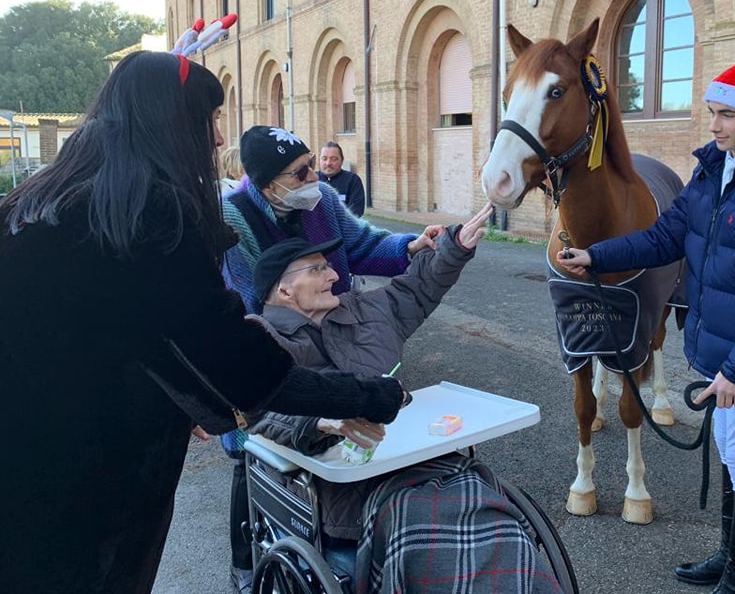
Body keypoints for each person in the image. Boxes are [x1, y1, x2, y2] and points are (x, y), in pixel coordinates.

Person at [0, 51, 405, 594]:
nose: (218, 140)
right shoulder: (149, 211)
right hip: (87, 491)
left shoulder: (42, 199)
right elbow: (241, 366)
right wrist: (369, 396)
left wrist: (198, 401)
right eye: (211, 118)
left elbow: (142, 338)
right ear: (172, 119)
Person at [556, 56, 735, 594]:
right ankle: (728, 557)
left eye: (726, 114)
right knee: (729, 452)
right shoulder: (712, 172)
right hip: (723, 353)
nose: (715, 124)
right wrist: (597, 255)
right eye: (711, 112)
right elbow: (663, 238)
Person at [247, 205, 561, 593]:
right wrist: (320, 423)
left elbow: (416, 288)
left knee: (486, 506)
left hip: (423, 463)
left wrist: (454, 247)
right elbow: (259, 411)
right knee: (424, 526)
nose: (333, 274)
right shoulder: (259, 339)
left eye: (328, 266)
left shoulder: (362, 309)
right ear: (284, 289)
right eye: (317, 269)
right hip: (346, 492)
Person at [220, 123, 441, 591]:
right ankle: (245, 563)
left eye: (310, 168)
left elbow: (361, 245)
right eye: (299, 174)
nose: (312, 180)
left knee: (347, 438)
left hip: (326, 330)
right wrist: (303, 320)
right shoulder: (232, 221)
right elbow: (245, 305)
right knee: (254, 454)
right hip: (273, 339)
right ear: (266, 184)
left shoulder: (320, 202)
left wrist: (409, 246)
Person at [318, 139, 366, 216]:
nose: (328, 163)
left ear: (342, 161)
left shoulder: (352, 180)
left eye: (334, 159)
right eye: (324, 158)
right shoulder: (311, 180)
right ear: (319, 160)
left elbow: (356, 212)